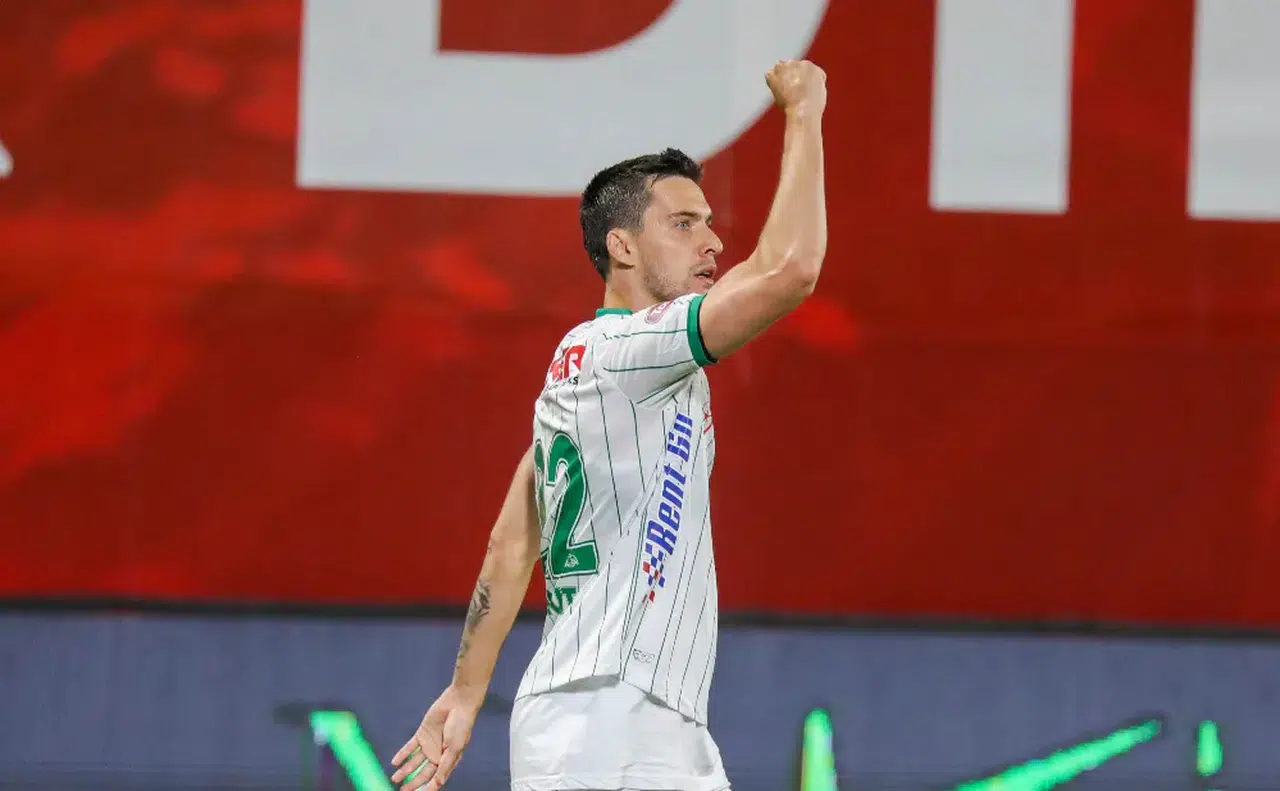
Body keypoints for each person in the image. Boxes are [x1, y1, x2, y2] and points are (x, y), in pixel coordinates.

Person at [390, 58, 828, 791]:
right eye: (683, 224)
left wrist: (466, 693)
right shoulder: (628, 351)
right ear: (621, 246)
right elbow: (789, 271)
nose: (713, 243)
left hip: (638, 718)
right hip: (608, 716)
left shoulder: (590, 367)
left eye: (709, 223)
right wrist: (804, 111)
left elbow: (512, 542)